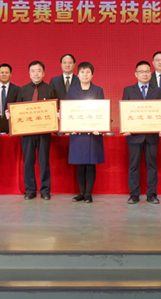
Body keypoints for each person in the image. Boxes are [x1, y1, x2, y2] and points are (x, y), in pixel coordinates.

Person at [122, 61, 161, 205]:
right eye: (141, 71)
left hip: (151, 135)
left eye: (147, 71)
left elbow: (160, 110)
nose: (144, 74)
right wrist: (125, 126)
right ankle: (134, 194)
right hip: (134, 136)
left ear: (151, 74)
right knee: (133, 166)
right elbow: (125, 111)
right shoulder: (128, 90)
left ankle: (152, 194)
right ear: (136, 74)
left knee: (152, 166)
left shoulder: (157, 90)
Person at [16, 61, 57, 200]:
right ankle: (30, 190)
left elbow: (54, 109)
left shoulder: (50, 89)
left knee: (44, 161)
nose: (36, 73)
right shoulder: (22, 90)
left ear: (43, 73)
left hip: (44, 132)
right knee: (28, 161)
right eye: (33, 71)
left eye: (39, 71)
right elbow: (17, 109)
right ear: (29, 73)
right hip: (27, 133)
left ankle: (45, 190)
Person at [66, 62, 105, 204]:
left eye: (88, 72)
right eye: (82, 72)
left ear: (92, 75)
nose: (85, 74)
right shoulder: (72, 91)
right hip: (77, 134)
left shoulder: (98, 90)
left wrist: (100, 126)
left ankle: (89, 193)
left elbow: (102, 110)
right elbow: (68, 110)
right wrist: (69, 126)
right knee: (80, 163)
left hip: (93, 134)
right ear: (78, 74)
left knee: (90, 164)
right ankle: (81, 193)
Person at [0, 63, 20, 134]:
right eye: (2, 72)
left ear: (10, 74)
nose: (4, 74)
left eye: (7, 72)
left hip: (10, 122)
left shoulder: (17, 89)